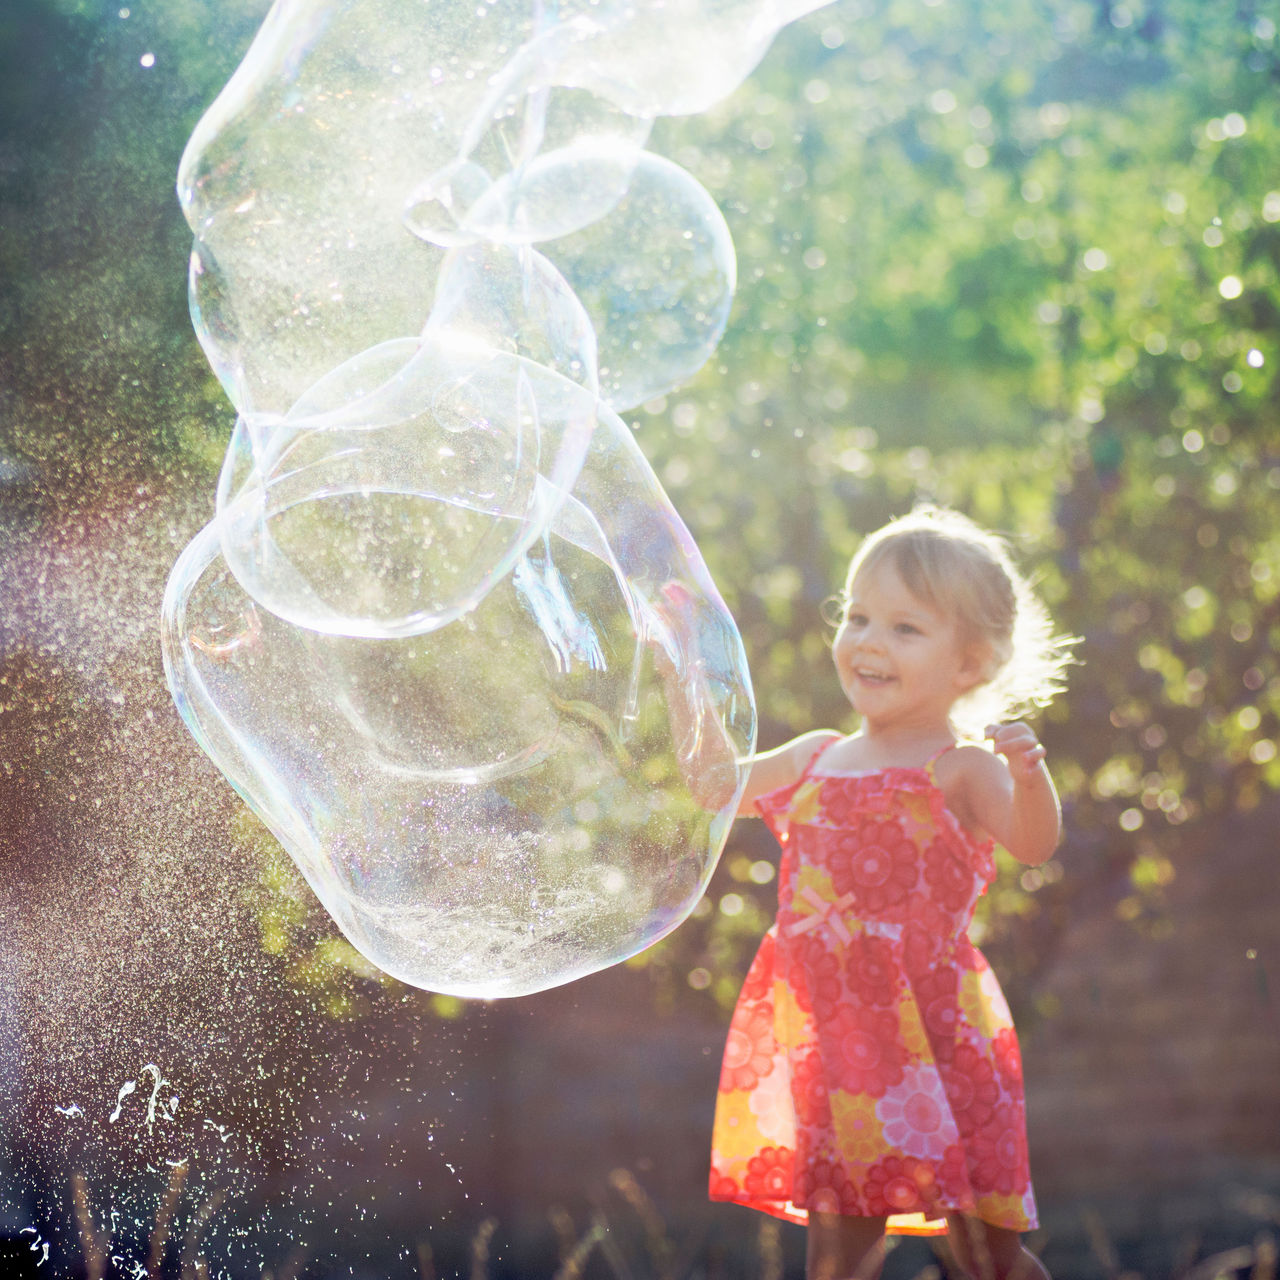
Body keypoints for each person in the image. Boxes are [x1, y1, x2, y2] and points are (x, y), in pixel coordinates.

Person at [707, 505, 1074, 1280]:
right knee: (836, 1260)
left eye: (906, 629)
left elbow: (1035, 843)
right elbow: (713, 788)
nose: (869, 641)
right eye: (859, 616)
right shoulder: (814, 757)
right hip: (839, 1044)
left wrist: (1031, 775)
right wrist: (684, 678)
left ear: (970, 664)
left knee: (987, 1258)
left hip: (937, 1040)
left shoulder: (963, 768)